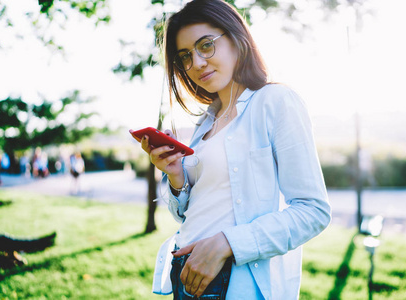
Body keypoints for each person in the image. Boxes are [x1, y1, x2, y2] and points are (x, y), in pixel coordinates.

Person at [133, 1, 331, 299]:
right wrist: (176, 177)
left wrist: (228, 242)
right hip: (187, 278)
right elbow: (190, 213)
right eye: (185, 56)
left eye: (206, 45)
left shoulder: (276, 101)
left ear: (238, 39)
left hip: (236, 284)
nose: (196, 63)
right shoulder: (205, 122)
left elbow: (313, 211)